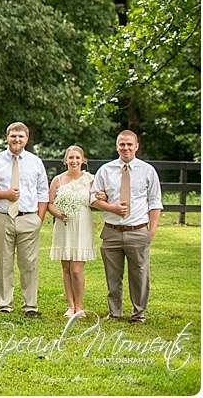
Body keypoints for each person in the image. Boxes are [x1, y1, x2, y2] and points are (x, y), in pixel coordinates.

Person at [91, 130, 162, 324]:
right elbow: (93, 199)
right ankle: (115, 312)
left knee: (139, 275)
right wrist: (111, 207)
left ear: (136, 146)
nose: (126, 148)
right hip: (112, 231)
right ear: (117, 146)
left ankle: (138, 314)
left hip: (137, 230)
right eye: (122, 144)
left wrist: (151, 231)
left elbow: (155, 202)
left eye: (130, 144)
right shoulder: (105, 171)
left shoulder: (148, 171)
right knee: (113, 276)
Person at [0, 122, 49, 317]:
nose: (17, 139)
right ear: (7, 137)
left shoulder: (35, 162)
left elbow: (43, 193)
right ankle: (4, 304)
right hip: (3, 217)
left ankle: (30, 306)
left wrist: (39, 219)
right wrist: (5, 194)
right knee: (4, 263)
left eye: (21, 136)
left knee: (29, 264)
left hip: (28, 218)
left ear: (26, 139)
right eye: (13, 136)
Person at [48, 145, 96, 318]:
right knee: (66, 268)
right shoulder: (58, 180)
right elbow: (50, 203)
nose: (74, 161)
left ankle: (80, 305)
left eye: (77, 158)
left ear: (83, 160)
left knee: (76, 269)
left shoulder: (91, 180)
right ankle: (70, 305)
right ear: (65, 160)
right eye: (71, 158)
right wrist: (58, 214)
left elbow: (98, 198)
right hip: (64, 225)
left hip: (82, 225)